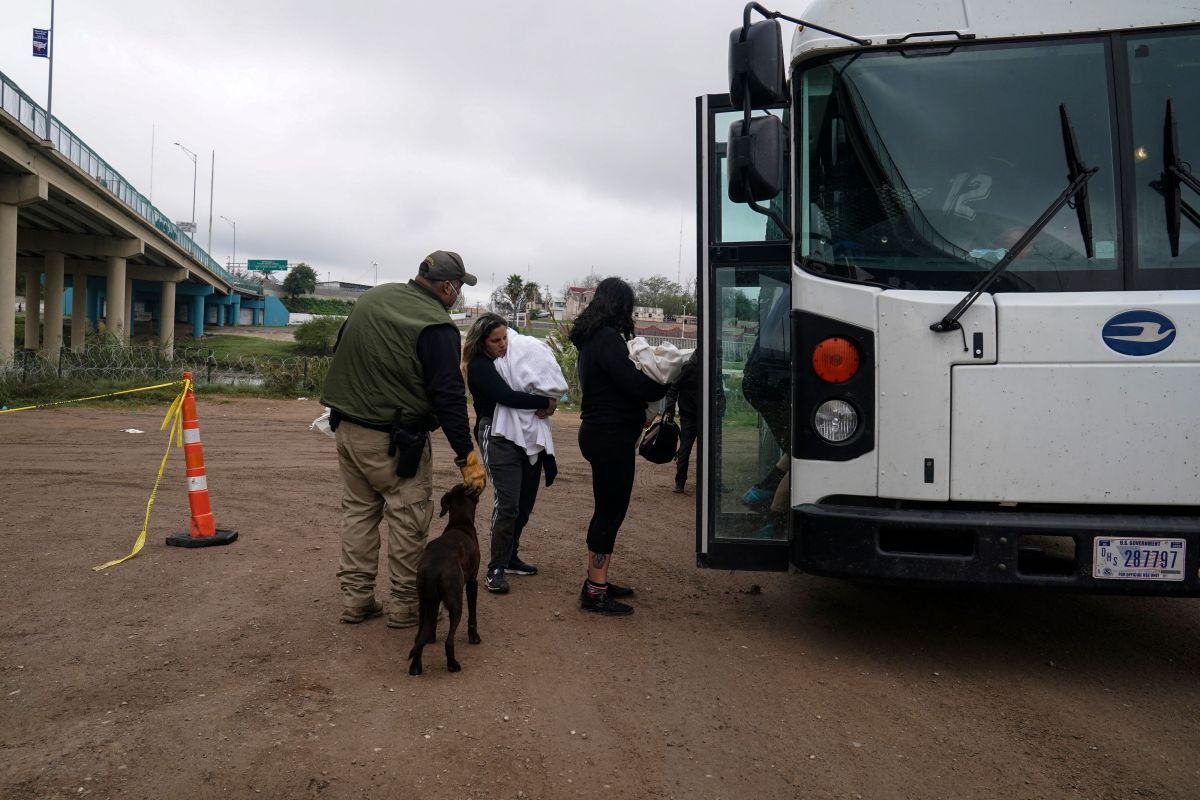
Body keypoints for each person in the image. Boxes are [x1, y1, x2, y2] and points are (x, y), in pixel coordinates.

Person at [319, 250, 487, 629]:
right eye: (459, 287)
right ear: (446, 286)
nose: (458, 294)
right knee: (407, 517)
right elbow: (448, 396)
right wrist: (467, 457)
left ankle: (356, 600)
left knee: (359, 513)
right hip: (396, 441)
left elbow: (342, 348)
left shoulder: (373, 297)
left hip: (346, 429)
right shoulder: (436, 325)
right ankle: (405, 605)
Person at [569, 277, 668, 616]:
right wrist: (665, 381)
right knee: (610, 512)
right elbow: (637, 384)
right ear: (620, 306)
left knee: (608, 509)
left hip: (600, 434)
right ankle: (595, 591)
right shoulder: (608, 340)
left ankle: (598, 580)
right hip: (609, 437)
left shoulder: (592, 341)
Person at [462, 313, 557, 595]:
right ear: (482, 342)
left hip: (525, 435)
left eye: (505, 337)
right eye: (495, 340)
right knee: (508, 504)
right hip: (498, 436)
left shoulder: (510, 361)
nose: (502, 344)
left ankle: (511, 556)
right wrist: (546, 401)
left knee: (525, 502)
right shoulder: (480, 366)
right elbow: (507, 396)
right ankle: (495, 567)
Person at [663, 350, 699, 493]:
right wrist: (670, 410)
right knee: (686, 448)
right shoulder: (689, 367)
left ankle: (681, 483)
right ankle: (680, 482)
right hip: (691, 415)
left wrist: (670, 410)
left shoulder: (693, 366)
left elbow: (673, 389)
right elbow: (673, 388)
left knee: (686, 448)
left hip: (695, 415)